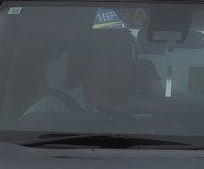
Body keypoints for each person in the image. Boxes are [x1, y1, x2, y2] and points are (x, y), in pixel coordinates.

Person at [24, 25, 160, 118]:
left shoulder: (149, 113)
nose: (118, 68)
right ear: (87, 64)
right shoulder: (49, 111)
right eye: (108, 59)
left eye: (124, 59)